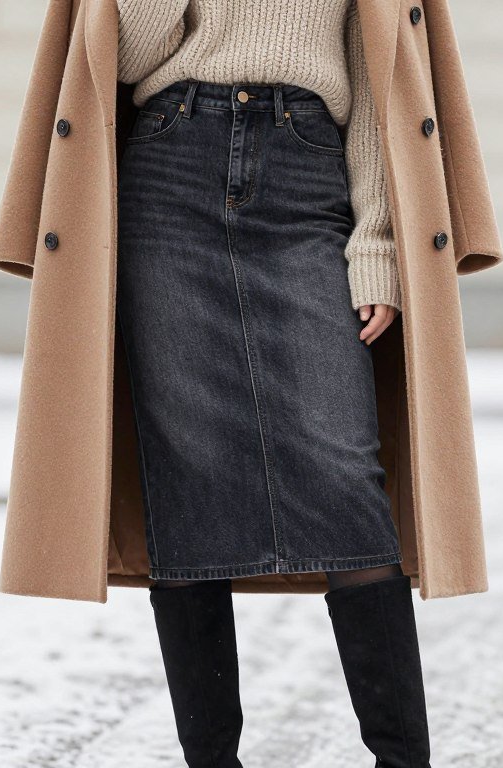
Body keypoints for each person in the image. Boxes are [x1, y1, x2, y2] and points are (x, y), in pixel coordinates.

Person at [115, 1, 432, 766]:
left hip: (305, 167)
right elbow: (125, 54)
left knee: (342, 466)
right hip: (170, 164)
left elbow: (379, 78)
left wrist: (379, 241)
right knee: (188, 474)